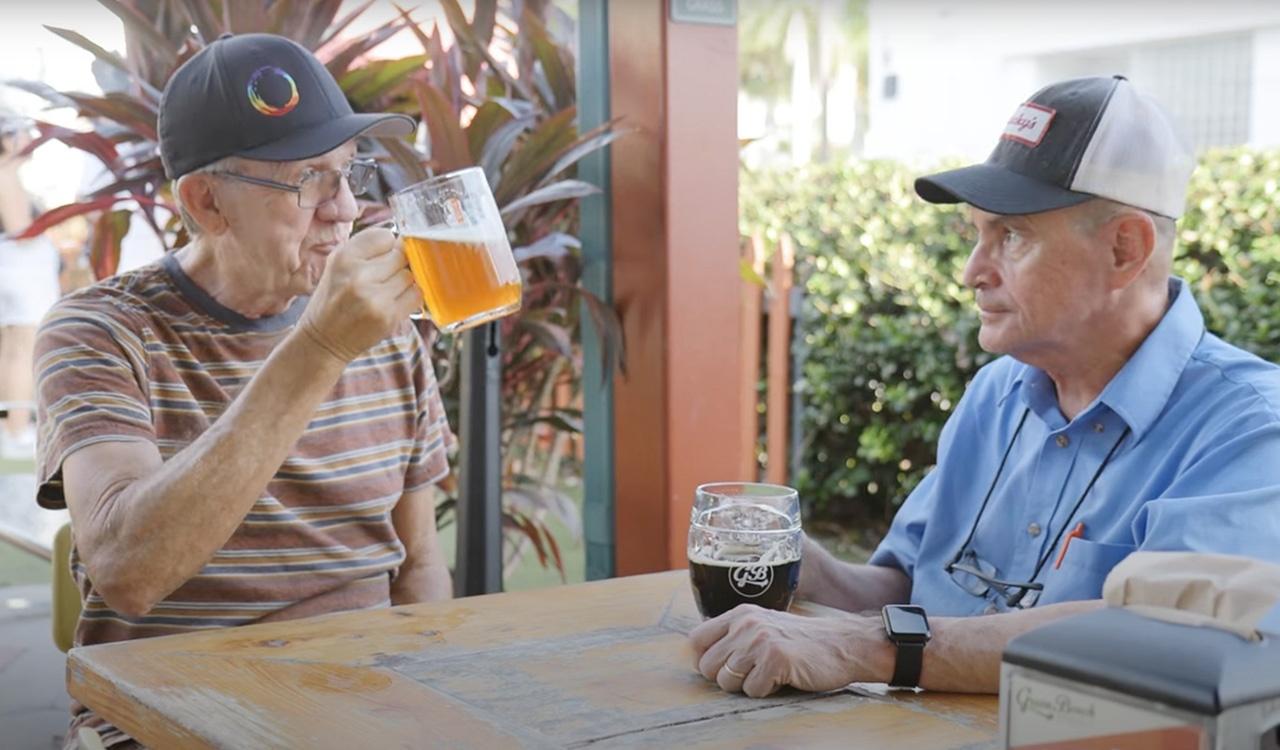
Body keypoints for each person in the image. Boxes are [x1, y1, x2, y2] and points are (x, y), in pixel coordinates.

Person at [690, 75, 1280, 699]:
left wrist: (864, 648)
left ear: (1124, 250)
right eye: (975, 234)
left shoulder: (1251, 428)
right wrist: (809, 573)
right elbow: (908, 586)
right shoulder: (996, 395)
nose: (973, 271)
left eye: (1012, 236)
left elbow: (1171, 634)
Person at [34, 34, 453, 747]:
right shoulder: (101, 331)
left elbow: (418, 567)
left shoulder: (391, 335)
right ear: (206, 202)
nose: (346, 209)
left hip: (365, 711)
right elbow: (129, 571)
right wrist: (319, 348)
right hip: (168, 720)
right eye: (309, 179)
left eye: (352, 173)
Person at [0, 117, 61, 459]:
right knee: (23, 349)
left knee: (12, 348)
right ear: (6, 141)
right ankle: (17, 428)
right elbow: (20, 228)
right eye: (22, 133)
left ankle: (11, 422)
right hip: (21, 272)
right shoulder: (5, 175)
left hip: (17, 271)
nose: (29, 140)